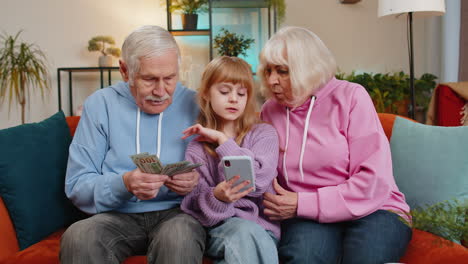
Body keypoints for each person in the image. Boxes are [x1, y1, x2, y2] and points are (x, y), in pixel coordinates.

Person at [259, 26, 412, 264]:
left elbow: (373, 180)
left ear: (309, 68)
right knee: (302, 258)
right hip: (305, 214)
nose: (272, 80)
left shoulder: (351, 96)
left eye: (283, 71)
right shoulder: (269, 111)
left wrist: (303, 202)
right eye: (268, 70)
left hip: (374, 207)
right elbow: (263, 171)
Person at [60, 25, 206, 264]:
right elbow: (77, 185)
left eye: (169, 78)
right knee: (79, 236)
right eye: (149, 79)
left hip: (178, 215)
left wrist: (196, 183)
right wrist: (124, 183)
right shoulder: (100, 104)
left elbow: (221, 178)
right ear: (125, 71)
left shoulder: (196, 103)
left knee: (179, 237)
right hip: (116, 216)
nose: (161, 91)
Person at [180, 56, 280, 264]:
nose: (234, 99)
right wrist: (217, 197)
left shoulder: (264, 134)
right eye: (225, 92)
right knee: (244, 233)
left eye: (241, 93)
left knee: (247, 236)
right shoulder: (197, 148)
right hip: (219, 232)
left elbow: (257, 182)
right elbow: (193, 206)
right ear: (206, 93)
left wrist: (223, 141)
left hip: (262, 232)